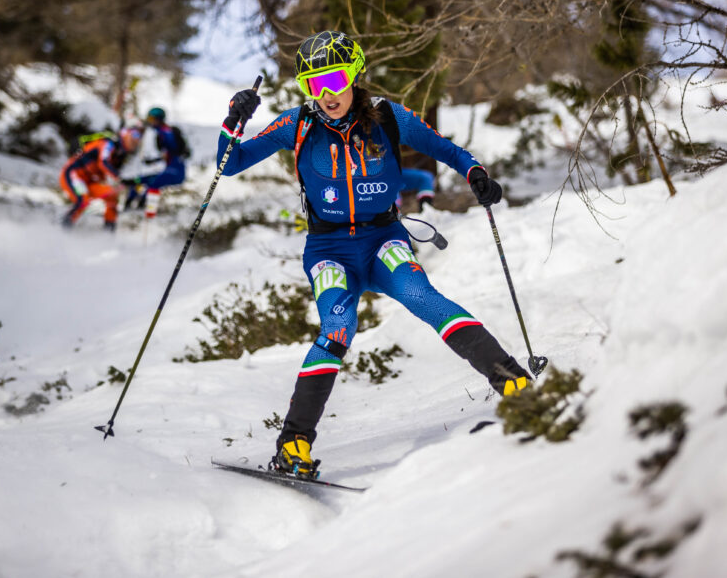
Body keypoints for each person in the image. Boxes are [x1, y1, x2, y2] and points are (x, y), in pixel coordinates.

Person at [217, 30, 532, 477]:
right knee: (338, 327)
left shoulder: (388, 116)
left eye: (334, 80)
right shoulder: (296, 124)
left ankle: (515, 383)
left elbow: (445, 149)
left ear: (354, 75)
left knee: (423, 297)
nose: (326, 94)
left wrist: (475, 173)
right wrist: (234, 119)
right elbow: (230, 164)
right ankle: (293, 445)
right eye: (313, 84)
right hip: (329, 249)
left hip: (383, 239)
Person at [60, 127, 141, 231]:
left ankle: (108, 232)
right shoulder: (108, 144)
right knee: (83, 200)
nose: (134, 143)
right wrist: (120, 178)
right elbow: (103, 162)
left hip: (90, 181)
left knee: (112, 196)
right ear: (124, 136)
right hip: (74, 173)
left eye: (136, 142)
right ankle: (63, 229)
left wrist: (132, 181)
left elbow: (123, 174)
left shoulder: (122, 156)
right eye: (132, 139)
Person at [122, 106, 190, 211]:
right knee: (138, 180)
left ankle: (147, 209)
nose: (150, 122)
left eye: (152, 119)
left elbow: (173, 151)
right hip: (166, 167)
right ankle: (129, 206)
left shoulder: (166, 132)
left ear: (159, 119)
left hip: (175, 170)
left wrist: (160, 157)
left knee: (153, 183)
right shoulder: (158, 131)